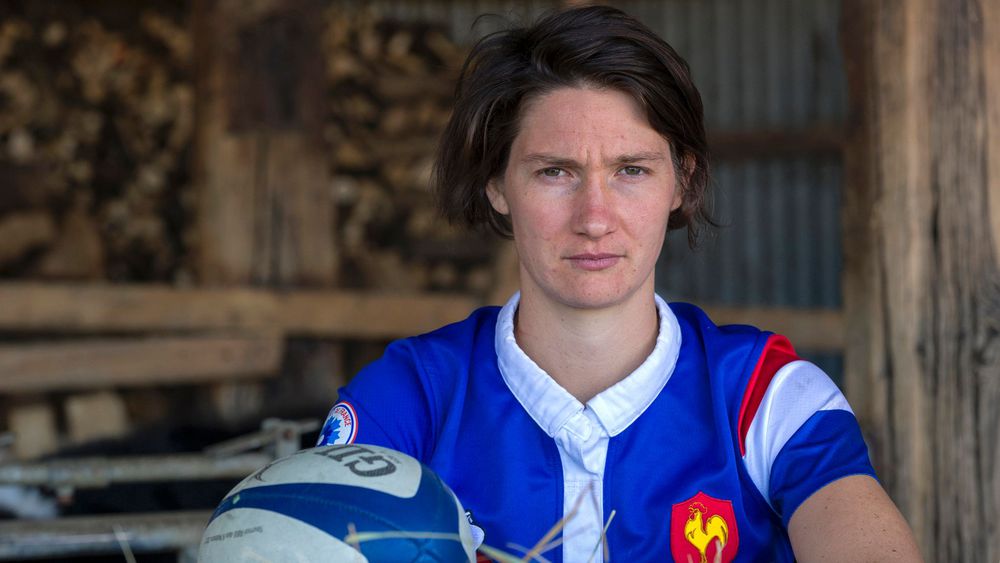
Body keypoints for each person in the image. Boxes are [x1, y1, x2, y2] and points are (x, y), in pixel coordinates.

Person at [318, 5, 922, 562]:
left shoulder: (768, 399)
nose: (594, 219)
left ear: (681, 183)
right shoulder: (408, 400)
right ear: (497, 185)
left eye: (631, 170)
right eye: (555, 172)